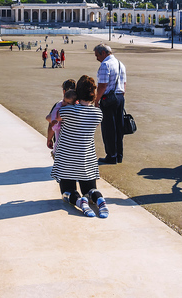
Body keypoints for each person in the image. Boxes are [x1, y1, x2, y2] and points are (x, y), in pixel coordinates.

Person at [50, 75, 109, 218]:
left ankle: (78, 201)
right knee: (90, 189)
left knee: (68, 191)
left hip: (66, 160)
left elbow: (51, 119)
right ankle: (99, 200)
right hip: (86, 159)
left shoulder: (67, 112)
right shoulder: (98, 114)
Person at [93, 44, 126, 165]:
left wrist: (96, 100)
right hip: (119, 96)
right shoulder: (120, 64)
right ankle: (119, 155)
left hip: (108, 99)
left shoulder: (105, 65)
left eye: (97, 55)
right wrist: (120, 97)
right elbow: (124, 83)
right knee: (119, 128)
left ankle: (111, 155)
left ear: (103, 53)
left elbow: (102, 85)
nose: (97, 58)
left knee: (108, 129)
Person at [45, 79, 78, 158]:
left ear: (64, 91)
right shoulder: (79, 106)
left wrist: (49, 139)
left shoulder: (59, 105)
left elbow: (51, 124)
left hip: (61, 142)